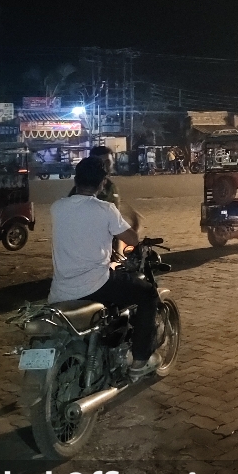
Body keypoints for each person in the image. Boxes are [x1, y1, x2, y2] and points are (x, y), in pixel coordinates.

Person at [50, 156, 159, 379]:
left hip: (60, 289)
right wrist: (135, 227)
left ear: (76, 180)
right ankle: (140, 361)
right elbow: (132, 239)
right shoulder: (106, 209)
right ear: (102, 183)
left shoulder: (57, 207)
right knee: (147, 294)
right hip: (95, 285)